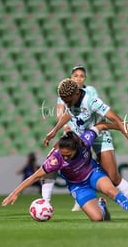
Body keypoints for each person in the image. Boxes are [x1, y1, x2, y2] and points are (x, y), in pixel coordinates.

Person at [43, 78, 128, 219]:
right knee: (52, 158)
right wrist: (54, 130)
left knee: (113, 178)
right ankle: (45, 202)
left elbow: (115, 118)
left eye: (67, 100)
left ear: (76, 93)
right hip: (79, 136)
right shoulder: (70, 99)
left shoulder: (92, 101)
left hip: (99, 134)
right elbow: (68, 113)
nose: (66, 103)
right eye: (64, 101)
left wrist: (127, 135)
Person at [2, 122, 128, 222]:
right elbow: (34, 177)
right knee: (97, 218)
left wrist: (121, 128)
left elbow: (101, 125)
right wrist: (15, 192)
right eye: (62, 154)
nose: (64, 157)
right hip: (77, 186)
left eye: (68, 155)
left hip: (93, 173)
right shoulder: (55, 159)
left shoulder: (85, 141)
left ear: (76, 148)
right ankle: (102, 207)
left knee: (110, 190)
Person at [42, 66, 98, 211]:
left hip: (85, 134)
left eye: (81, 76)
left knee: (86, 167)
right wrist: (65, 126)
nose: (79, 78)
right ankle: (45, 201)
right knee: (51, 162)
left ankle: (82, 199)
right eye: (76, 76)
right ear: (71, 78)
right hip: (70, 133)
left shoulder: (91, 91)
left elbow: (96, 110)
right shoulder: (65, 91)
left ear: (85, 78)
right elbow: (61, 112)